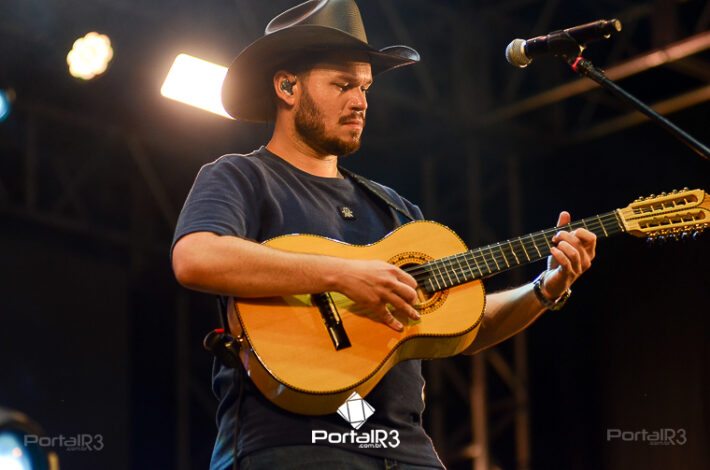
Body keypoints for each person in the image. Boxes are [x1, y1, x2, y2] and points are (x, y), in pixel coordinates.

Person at [171, 0, 597, 468]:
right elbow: (196, 257)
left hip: (404, 449)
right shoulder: (242, 176)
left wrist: (544, 289)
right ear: (287, 86)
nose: (360, 102)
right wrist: (342, 275)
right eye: (342, 85)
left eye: (365, 87)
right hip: (291, 446)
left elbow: (464, 327)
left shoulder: (395, 210)